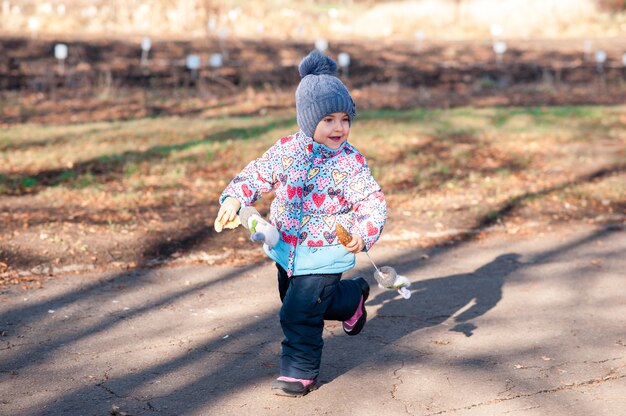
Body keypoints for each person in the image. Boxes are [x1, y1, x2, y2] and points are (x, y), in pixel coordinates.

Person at [215, 50, 387, 397]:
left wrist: (363, 233)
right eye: (328, 120)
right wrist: (235, 197)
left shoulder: (350, 164)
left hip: (326, 253)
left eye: (345, 119)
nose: (339, 127)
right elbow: (257, 173)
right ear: (308, 120)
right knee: (297, 301)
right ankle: (352, 297)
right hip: (285, 249)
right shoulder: (286, 151)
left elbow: (372, 201)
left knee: (298, 314)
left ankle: (299, 372)